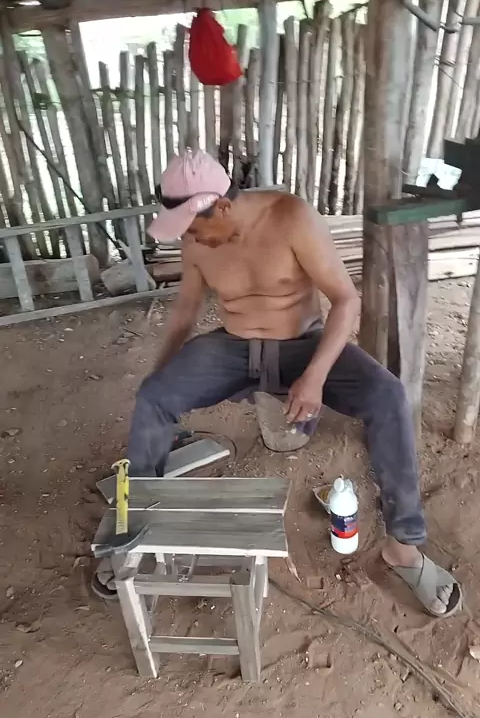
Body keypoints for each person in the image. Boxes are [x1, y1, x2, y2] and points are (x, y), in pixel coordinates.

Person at [92, 150, 462, 617]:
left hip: (302, 346)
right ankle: (136, 533)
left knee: (388, 396)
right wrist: (161, 376)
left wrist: (315, 376)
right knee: (154, 398)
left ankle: (403, 547)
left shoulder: (292, 218)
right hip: (233, 348)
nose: (189, 238)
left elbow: (345, 300)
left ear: (222, 206)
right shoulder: (196, 238)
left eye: (193, 228)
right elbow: (186, 310)